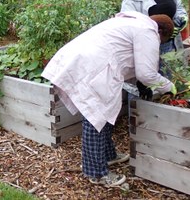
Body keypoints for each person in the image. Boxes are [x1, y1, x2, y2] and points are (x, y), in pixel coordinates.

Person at [41, 11, 176, 187]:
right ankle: (96, 173)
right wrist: (168, 86)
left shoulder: (136, 23)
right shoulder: (148, 31)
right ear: (162, 33)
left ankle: (108, 155)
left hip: (87, 61)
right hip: (93, 66)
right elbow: (147, 73)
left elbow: (131, 59)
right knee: (96, 116)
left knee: (104, 113)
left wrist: (141, 83)